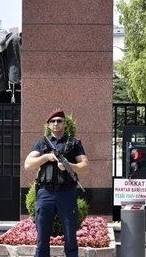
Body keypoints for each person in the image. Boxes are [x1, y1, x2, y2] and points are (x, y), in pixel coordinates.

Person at [24, 108, 89, 257]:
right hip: (45, 193)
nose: (55, 123)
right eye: (52, 121)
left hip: (66, 193)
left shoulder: (73, 143)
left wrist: (69, 165)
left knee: (70, 237)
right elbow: (28, 164)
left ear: (65, 124)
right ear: (48, 125)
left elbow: (85, 167)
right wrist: (46, 157)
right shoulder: (42, 143)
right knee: (42, 238)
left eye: (59, 121)